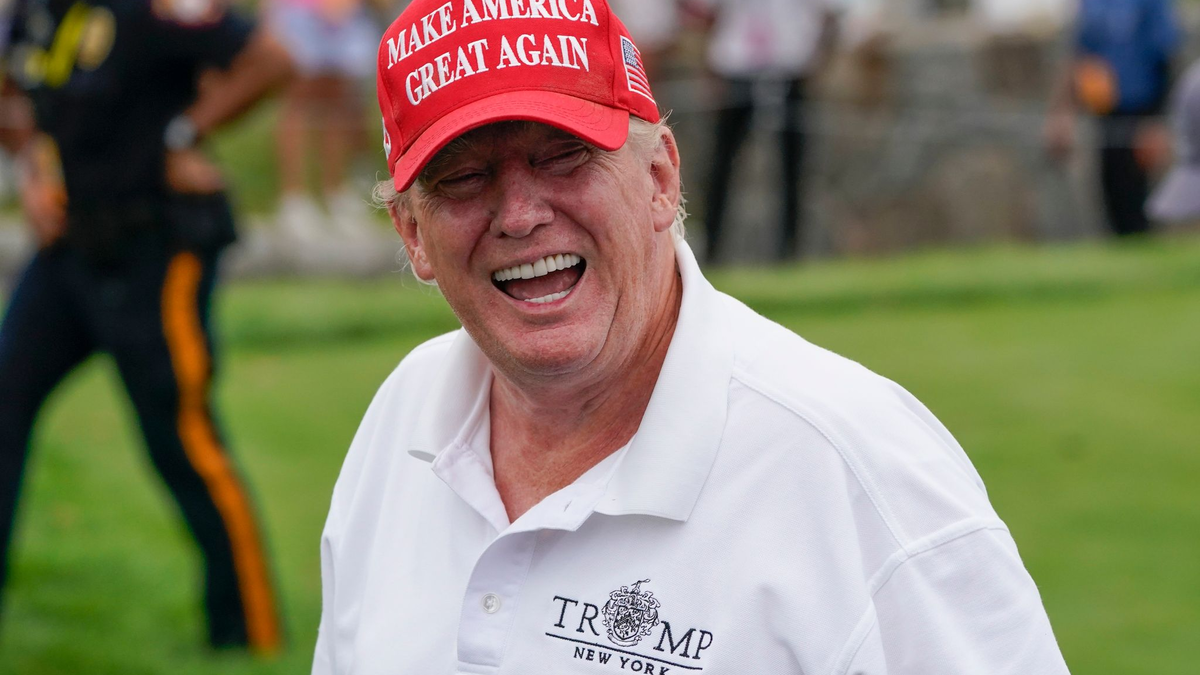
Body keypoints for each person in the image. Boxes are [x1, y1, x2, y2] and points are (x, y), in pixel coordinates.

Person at [313, 0, 1071, 672]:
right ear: (412, 234)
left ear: (661, 180)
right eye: (464, 178)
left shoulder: (856, 469)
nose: (518, 214)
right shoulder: (402, 417)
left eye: (564, 155)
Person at [0, 0, 292, 653]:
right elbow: (16, 96)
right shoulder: (30, 14)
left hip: (158, 249)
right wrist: (34, 165)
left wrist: (183, 133)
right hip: (70, 251)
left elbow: (272, 60)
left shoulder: (152, 8)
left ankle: (247, 631)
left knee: (178, 436)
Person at [683, 0, 839, 264]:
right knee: (721, 168)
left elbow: (829, 15)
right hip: (736, 67)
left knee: (793, 169)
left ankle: (789, 251)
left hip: (791, 68)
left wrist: (818, 60)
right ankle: (711, 250)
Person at [1045, 0, 1181, 237]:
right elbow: (1078, 57)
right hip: (1104, 111)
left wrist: (1157, 121)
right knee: (1112, 193)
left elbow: (1166, 57)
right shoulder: (1091, 4)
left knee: (1141, 197)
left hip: (1142, 111)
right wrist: (1063, 114)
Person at [270, 0, 382, 246]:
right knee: (300, 99)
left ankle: (337, 195)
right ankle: (295, 201)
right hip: (300, 10)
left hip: (344, 12)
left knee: (340, 104)